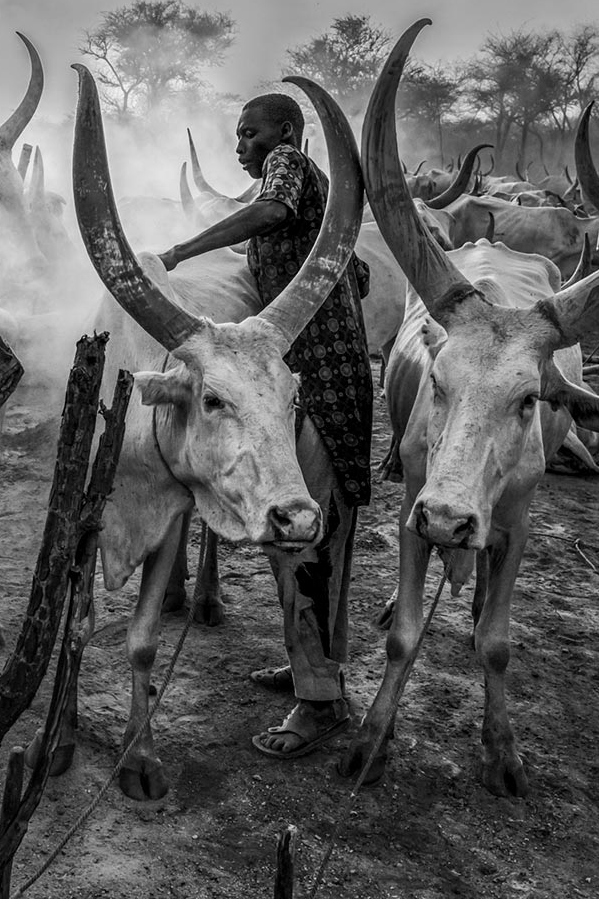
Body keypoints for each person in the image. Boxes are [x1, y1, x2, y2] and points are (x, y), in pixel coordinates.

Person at [158, 92, 374, 762]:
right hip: (314, 383)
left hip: (323, 385)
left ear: (285, 132)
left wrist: (181, 250)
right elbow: (359, 275)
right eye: (238, 136)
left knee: (310, 539)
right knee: (302, 535)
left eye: (248, 134)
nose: (240, 147)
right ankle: (310, 670)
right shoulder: (320, 209)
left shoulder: (289, 166)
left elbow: (272, 209)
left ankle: (322, 703)